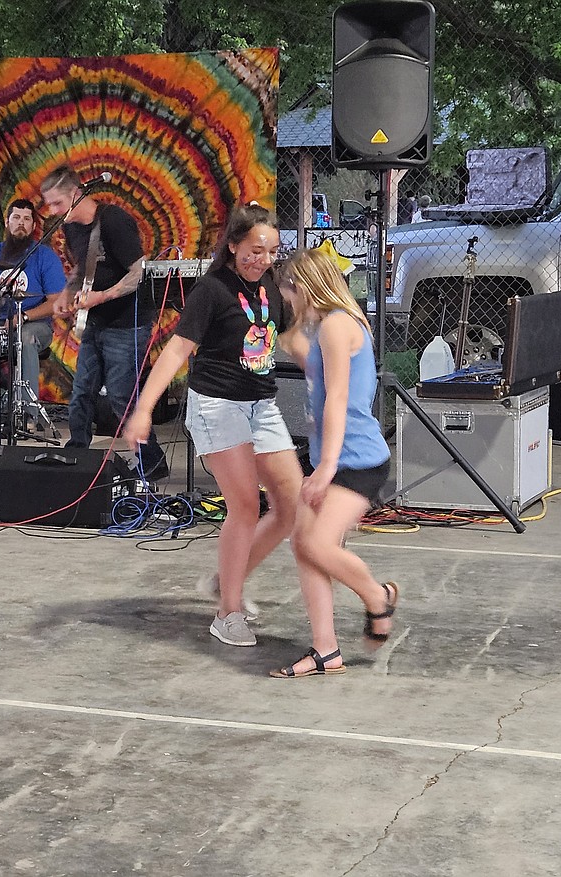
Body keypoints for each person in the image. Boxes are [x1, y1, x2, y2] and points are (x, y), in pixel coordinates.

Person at [124, 204, 303, 647]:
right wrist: (144, 408)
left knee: (291, 506)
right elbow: (176, 349)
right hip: (216, 405)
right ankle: (227, 613)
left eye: (271, 252)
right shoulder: (212, 290)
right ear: (234, 244)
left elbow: (291, 337)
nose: (262, 259)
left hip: (260, 405)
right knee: (244, 505)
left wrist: (331, 373)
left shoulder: (270, 289)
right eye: (254, 250)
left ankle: (227, 580)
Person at [268, 247, 398, 678]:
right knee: (304, 546)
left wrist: (325, 467)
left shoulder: (337, 325)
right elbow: (326, 384)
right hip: (336, 454)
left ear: (304, 288)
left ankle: (378, 598)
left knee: (319, 545)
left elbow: (340, 398)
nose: (288, 303)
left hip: (355, 459)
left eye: (289, 294)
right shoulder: (331, 325)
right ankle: (326, 651)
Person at [40, 164, 167, 478]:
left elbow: (138, 273)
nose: (53, 210)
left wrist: (102, 296)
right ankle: (77, 453)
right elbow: (81, 270)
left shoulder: (113, 221)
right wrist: (67, 294)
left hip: (127, 322)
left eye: (57, 203)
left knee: (123, 395)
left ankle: (152, 462)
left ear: (75, 193)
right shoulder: (71, 228)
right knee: (82, 389)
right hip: (95, 321)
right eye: (49, 204)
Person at [0, 198, 66, 420]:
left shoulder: (44, 257)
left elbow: (55, 302)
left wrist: (20, 318)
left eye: (26, 219)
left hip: (36, 325)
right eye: (16, 218)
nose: (21, 223)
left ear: (33, 226)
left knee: (24, 337)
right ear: (7, 222)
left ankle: (27, 415)